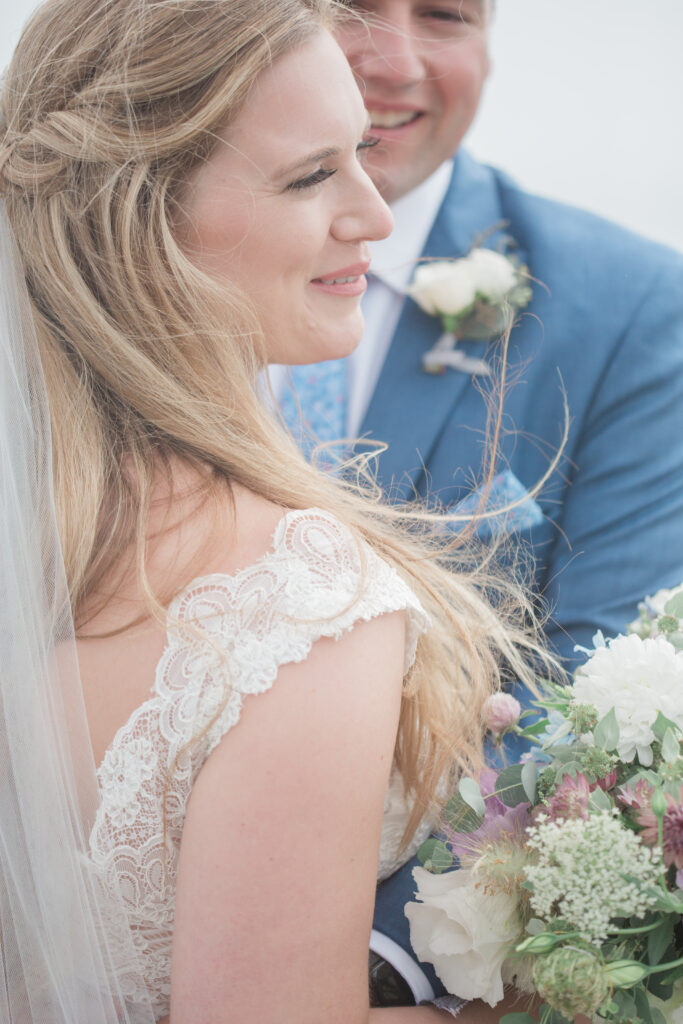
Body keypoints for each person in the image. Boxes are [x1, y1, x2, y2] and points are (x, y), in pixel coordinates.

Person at [0, 0, 553, 1020]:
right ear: (141, 216)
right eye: (310, 175)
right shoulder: (298, 605)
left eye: (360, 154)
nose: (375, 215)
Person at [286, 0, 683, 1003]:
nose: (397, 60)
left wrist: (378, 961)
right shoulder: (127, 268)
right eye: (349, 7)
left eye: (446, 15)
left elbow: (592, 685)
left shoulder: (627, 306)